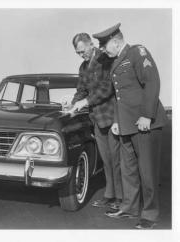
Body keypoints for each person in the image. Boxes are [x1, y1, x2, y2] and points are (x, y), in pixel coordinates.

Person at [92, 23, 168, 229]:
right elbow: (119, 97)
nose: (103, 50)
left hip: (145, 124)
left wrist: (146, 115)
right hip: (126, 124)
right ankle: (129, 208)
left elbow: (152, 82)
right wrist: (117, 121)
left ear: (116, 42)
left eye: (105, 45)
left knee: (147, 171)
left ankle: (150, 215)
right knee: (129, 170)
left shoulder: (137, 52)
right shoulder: (115, 61)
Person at [67, 33, 122, 210]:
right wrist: (73, 103)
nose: (81, 55)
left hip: (112, 118)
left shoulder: (106, 59)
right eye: (77, 53)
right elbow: (81, 89)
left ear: (91, 44)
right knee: (106, 159)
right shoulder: (83, 67)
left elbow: (107, 88)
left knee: (116, 159)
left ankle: (121, 199)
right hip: (97, 120)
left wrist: (85, 102)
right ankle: (110, 195)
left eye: (82, 51)